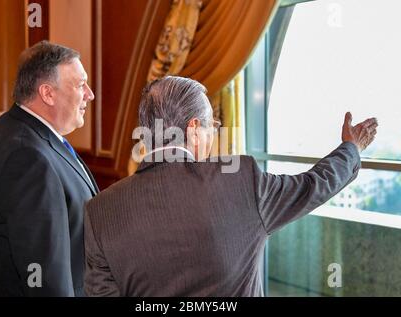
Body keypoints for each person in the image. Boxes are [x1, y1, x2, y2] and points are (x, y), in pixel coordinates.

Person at [83, 76, 377, 296]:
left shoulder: (100, 210)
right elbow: (313, 185)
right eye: (213, 125)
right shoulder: (241, 181)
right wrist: (351, 148)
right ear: (194, 129)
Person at [0, 41, 98, 296]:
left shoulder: (23, 130)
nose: (89, 94)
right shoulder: (27, 156)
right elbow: (43, 272)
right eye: (81, 84)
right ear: (47, 93)